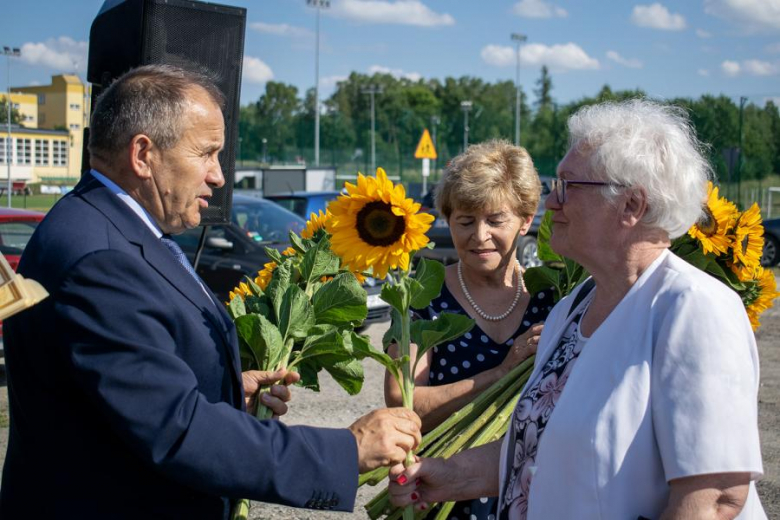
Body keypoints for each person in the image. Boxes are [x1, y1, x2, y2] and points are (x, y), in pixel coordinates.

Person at [0, 64, 421, 520]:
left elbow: (124, 393)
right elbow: (175, 430)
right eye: (206, 153)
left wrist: (222, 391)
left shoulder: (109, 230)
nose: (219, 176)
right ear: (144, 154)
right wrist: (348, 449)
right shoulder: (101, 257)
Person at [389, 100, 767, 519]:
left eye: (567, 187)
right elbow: (539, 447)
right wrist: (449, 475)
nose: (551, 205)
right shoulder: (573, 308)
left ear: (631, 205)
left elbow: (713, 497)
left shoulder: (694, 309)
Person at [384, 140, 553, 519]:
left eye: (495, 220)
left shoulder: (552, 299)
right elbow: (402, 403)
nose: (479, 236)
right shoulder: (422, 294)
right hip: (435, 492)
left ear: (526, 220)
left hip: (528, 493)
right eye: (464, 221)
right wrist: (502, 372)